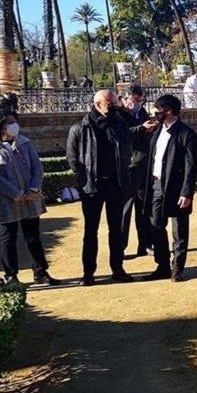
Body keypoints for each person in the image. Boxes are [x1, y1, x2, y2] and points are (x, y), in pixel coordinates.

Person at [67, 89, 154, 285]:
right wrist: (84, 178)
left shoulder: (118, 122)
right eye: (110, 103)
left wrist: (141, 128)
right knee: (91, 231)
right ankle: (88, 273)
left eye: (115, 102)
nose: (115, 106)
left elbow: (128, 135)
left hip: (116, 184)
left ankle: (117, 268)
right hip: (92, 187)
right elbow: (72, 158)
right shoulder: (80, 128)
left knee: (116, 229)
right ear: (98, 105)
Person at [0, 110, 61, 286]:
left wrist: (33, 189)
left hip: (30, 197)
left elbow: (37, 167)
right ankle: (11, 274)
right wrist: (15, 193)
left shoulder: (25, 142)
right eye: (10, 122)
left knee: (33, 236)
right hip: (6, 200)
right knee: (8, 238)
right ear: (0, 125)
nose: (14, 125)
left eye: (14, 121)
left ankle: (41, 272)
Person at [143, 94, 197, 281]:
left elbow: (192, 165)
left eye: (159, 110)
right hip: (157, 184)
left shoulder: (186, 133)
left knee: (179, 230)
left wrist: (187, 192)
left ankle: (178, 268)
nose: (155, 112)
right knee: (156, 225)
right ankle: (162, 266)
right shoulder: (157, 130)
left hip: (177, 187)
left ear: (169, 111)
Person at [120, 84, 154, 258]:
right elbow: (121, 135)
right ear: (126, 98)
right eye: (136, 100)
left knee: (144, 208)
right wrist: (141, 128)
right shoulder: (118, 114)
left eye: (141, 100)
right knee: (125, 209)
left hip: (144, 164)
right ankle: (120, 246)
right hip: (128, 167)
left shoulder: (142, 113)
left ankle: (145, 244)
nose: (139, 103)